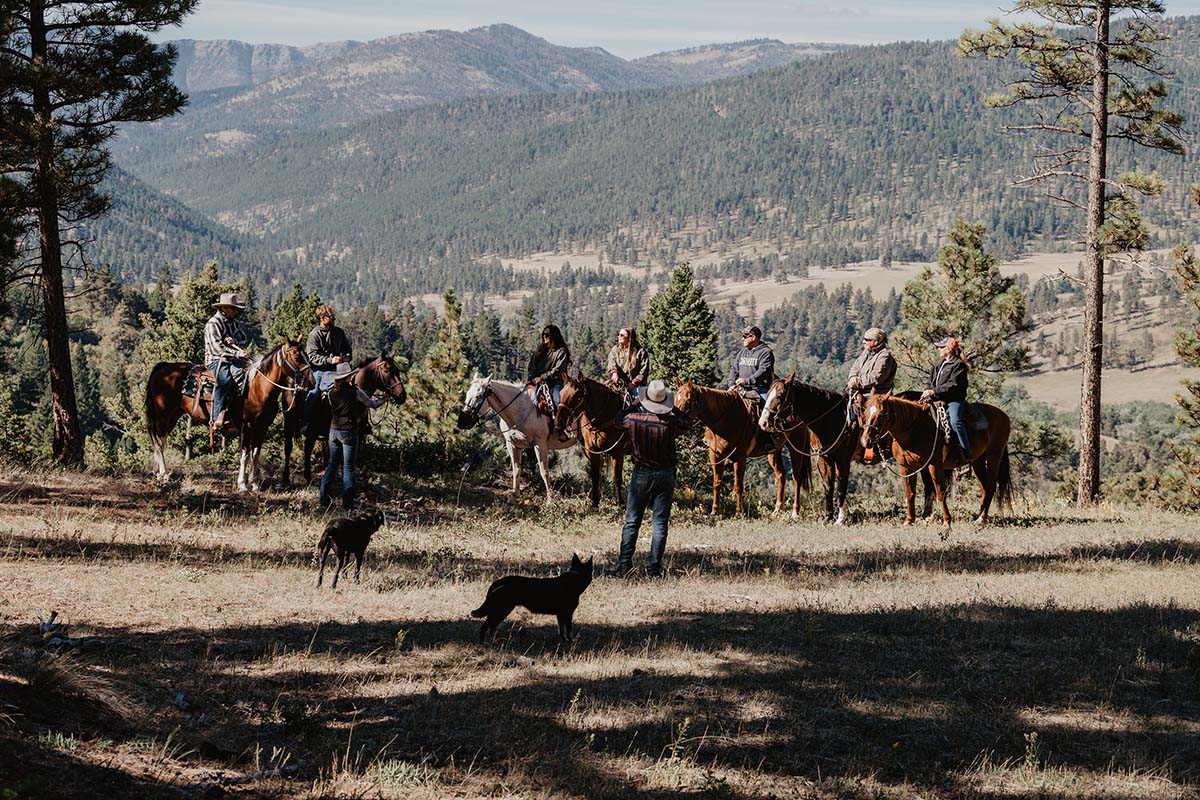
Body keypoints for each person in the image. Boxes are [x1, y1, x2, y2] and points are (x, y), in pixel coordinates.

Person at [608, 379, 693, 578]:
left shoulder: (634, 420)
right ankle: (654, 567)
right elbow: (687, 422)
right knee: (660, 523)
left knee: (632, 521)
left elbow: (617, 419)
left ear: (646, 401)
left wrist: (634, 404)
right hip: (665, 474)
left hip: (641, 474)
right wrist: (673, 409)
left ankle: (624, 565)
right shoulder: (669, 424)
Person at [320, 361, 387, 511]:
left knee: (332, 465)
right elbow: (373, 404)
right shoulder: (356, 392)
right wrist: (385, 398)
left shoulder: (331, 393)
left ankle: (323, 499)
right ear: (348, 377)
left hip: (333, 431)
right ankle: (347, 506)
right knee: (348, 469)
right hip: (349, 432)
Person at [203, 291, 250, 432]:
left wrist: (234, 341)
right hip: (217, 359)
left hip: (233, 359)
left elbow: (244, 339)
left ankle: (239, 412)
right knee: (225, 380)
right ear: (224, 308)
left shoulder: (234, 323)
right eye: (233, 308)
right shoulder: (213, 324)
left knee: (246, 376)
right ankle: (217, 416)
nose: (236, 311)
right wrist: (237, 352)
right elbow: (216, 348)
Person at [921, 336, 971, 461]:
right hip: (936, 398)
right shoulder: (938, 364)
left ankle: (966, 452)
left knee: (955, 421)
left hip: (953, 400)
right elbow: (931, 382)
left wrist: (933, 391)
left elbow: (953, 385)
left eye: (941, 347)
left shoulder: (958, 365)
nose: (938, 349)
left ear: (949, 349)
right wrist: (929, 392)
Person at [305, 304, 353, 430]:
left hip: (338, 369)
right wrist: (330, 360)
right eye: (330, 316)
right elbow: (312, 357)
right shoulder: (314, 335)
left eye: (333, 316)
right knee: (314, 393)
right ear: (322, 317)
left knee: (354, 389)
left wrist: (347, 356)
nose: (333, 318)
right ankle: (307, 423)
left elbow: (347, 349)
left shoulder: (338, 332)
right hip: (320, 370)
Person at [847, 327, 897, 414]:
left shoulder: (885, 356)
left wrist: (858, 382)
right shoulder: (866, 352)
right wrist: (853, 377)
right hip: (859, 392)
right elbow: (855, 366)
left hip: (876, 396)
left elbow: (877, 377)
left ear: (876, 341)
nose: (863, 342)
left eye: (867, 339)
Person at [526, 324, 571, 409]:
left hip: (555, 383)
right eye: (543, 334)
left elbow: (557, 371)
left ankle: (559, 421)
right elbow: (532, 365)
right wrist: (531, 376)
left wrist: (542, 377)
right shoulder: (540, 350)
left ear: (553, 337)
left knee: (556, 399)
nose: (544, 337)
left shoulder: (561, 352)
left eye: (547, 335)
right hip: (536, 381)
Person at [728, 325, 774, 407]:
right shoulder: (742, 352)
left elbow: (763, 371)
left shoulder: (766, 352)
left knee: (768, 409)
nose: (742, 339)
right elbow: (734, 369)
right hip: (740, 389)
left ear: (753, 337)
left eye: (744, 336)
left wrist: (746, 381)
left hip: (760, 389)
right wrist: (731, 384)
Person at [605, 327, 649, 395]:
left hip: (636, 386)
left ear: (629, 338)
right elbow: (612, 361)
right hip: (618, 383)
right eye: (618, 334)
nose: (619, 336)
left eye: (622, 335)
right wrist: (614, 373)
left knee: (637, 398)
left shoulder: (641, 352)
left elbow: (643, 371)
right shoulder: (615, 349)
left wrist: (633, 383)